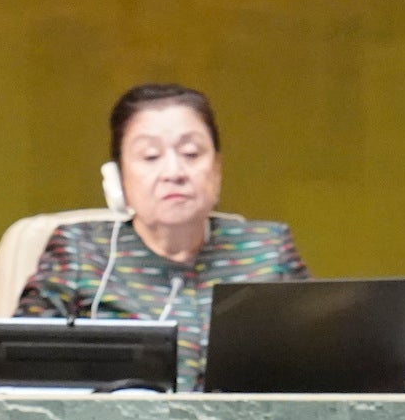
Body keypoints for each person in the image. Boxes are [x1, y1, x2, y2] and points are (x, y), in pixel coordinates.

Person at [17, 84, 310, 390]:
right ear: (118, 180)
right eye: (150, 156)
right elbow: (15, 373)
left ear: (217, 169)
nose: (174, 172)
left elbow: (323, 367)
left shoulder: (268, 250)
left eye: (191, 153)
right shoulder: (80, 252)